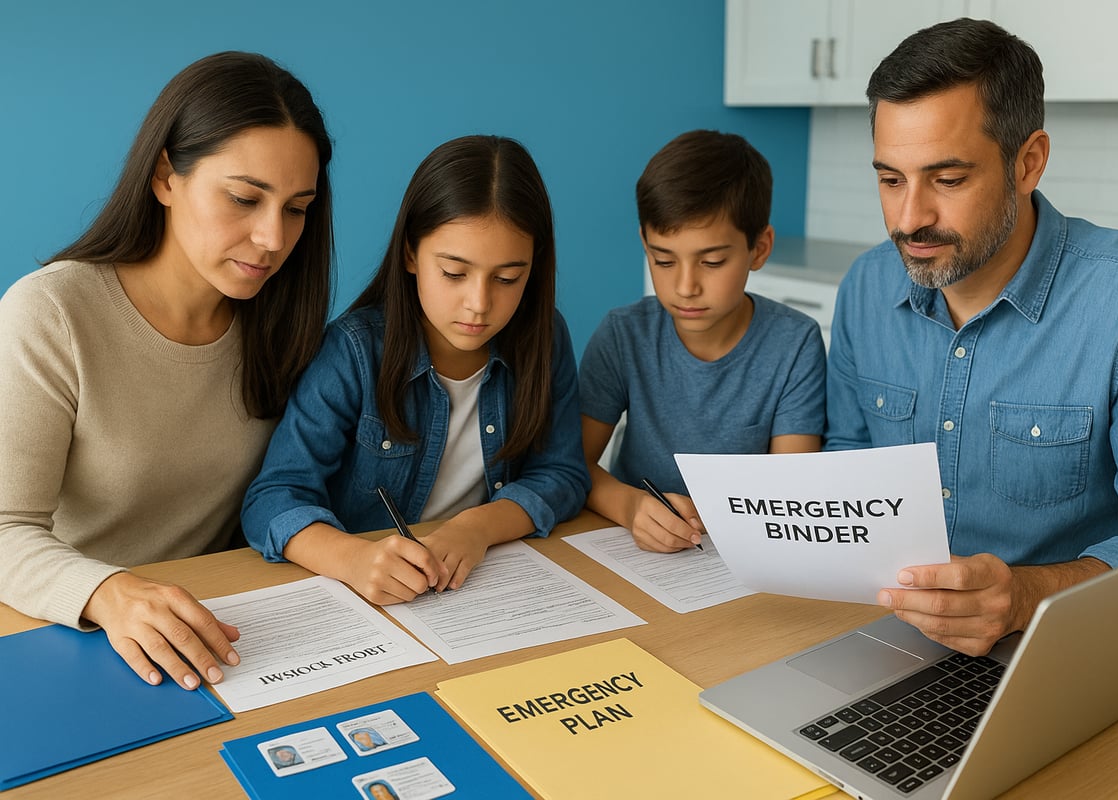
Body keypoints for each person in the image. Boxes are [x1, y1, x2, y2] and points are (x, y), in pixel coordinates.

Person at [825, 18, 1118, 655]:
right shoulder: (865, 287)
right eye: (891, 180)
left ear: (1028, 163)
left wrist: (1025, 596)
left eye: (947, 180)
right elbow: (848, 463)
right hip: (887, 632)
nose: (910, 217)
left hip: (1068, 645)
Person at [0, 53, 334, 688]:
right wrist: (111, 593)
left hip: (232, 631)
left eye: (297, 208)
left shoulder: (283, 324)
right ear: (164, 178)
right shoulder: (52, 313)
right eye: (243, 198)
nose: (271, 237)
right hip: (80, 629)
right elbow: (3, 529)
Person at [242, 135, 589, 602]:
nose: (479, 304)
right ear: (410, 254)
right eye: (453, 273)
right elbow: (273, 498)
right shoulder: (355, 351)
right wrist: (353, 560)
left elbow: (562, 474)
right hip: (371, 598)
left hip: (480, 589)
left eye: (508, 278)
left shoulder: (544, 339)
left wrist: (477, 528)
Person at [579, 130, 826, 552]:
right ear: (644, 243)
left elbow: (791, 493)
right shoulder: (624, 334)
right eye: (663, 260)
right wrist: (629, 507)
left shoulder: (795, 343)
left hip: (745, 552)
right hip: (631, 546)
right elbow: (570, 465)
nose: (685, 286)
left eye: (712, 261)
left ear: (759, 248)